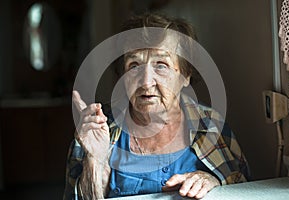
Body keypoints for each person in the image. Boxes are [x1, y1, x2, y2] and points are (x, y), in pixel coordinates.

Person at [63, 13, 250, 199]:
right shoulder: (96, 129)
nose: (145, 82)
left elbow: (243, 189)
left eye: (161, 65)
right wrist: (95, 161)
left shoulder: (211, 125)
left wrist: (215, 182)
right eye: (134, 66)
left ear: (185, 75)